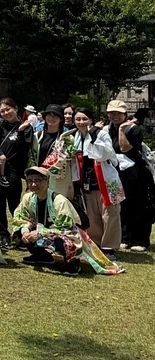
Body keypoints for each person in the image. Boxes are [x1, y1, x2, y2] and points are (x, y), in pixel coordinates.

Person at [13, 166, 122, 276]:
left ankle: (73, 264)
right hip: (45, 232)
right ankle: (41, 256)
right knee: (20, 231)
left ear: (48, 181)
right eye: (30, 181)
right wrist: (25, 231)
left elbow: (66, 229)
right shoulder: (28, 198)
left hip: (70, 234)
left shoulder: (59, 201)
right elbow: (20, 217)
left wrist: (40, 233)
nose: (33, 184)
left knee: (67, 240)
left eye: (38, 180)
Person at [69, 108, 123, 260]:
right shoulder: (75, 138)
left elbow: (104, 154)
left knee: (110, 215)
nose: (81, 122)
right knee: (92, 215)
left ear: (91, 120)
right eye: (78, 119)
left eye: (84, 119)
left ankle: (110, 247)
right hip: (87, 181)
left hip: (106, 181)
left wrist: (93, 136)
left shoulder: (101, 134)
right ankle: (96, 243)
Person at [105, 100, 155, 252]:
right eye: (112, 113)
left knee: (138, 206)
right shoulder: (107, 130)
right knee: (122, 205)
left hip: (137, 174)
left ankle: (140, 240)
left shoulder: (133, 129)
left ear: (125, 114)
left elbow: (124, 148)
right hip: (117, 173)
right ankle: (124, 237)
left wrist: (121, 130)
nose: (115, 116)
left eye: (118, 113)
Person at [0, 98, 34, 248]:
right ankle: (4, 235)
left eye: (8, 109)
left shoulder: (26, 127)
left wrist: (22, 132)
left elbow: (24, 150)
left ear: (16, 108)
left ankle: (20, 234)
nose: (6, 113)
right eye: (2, 111)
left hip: (14, 170)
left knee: (14, 204)